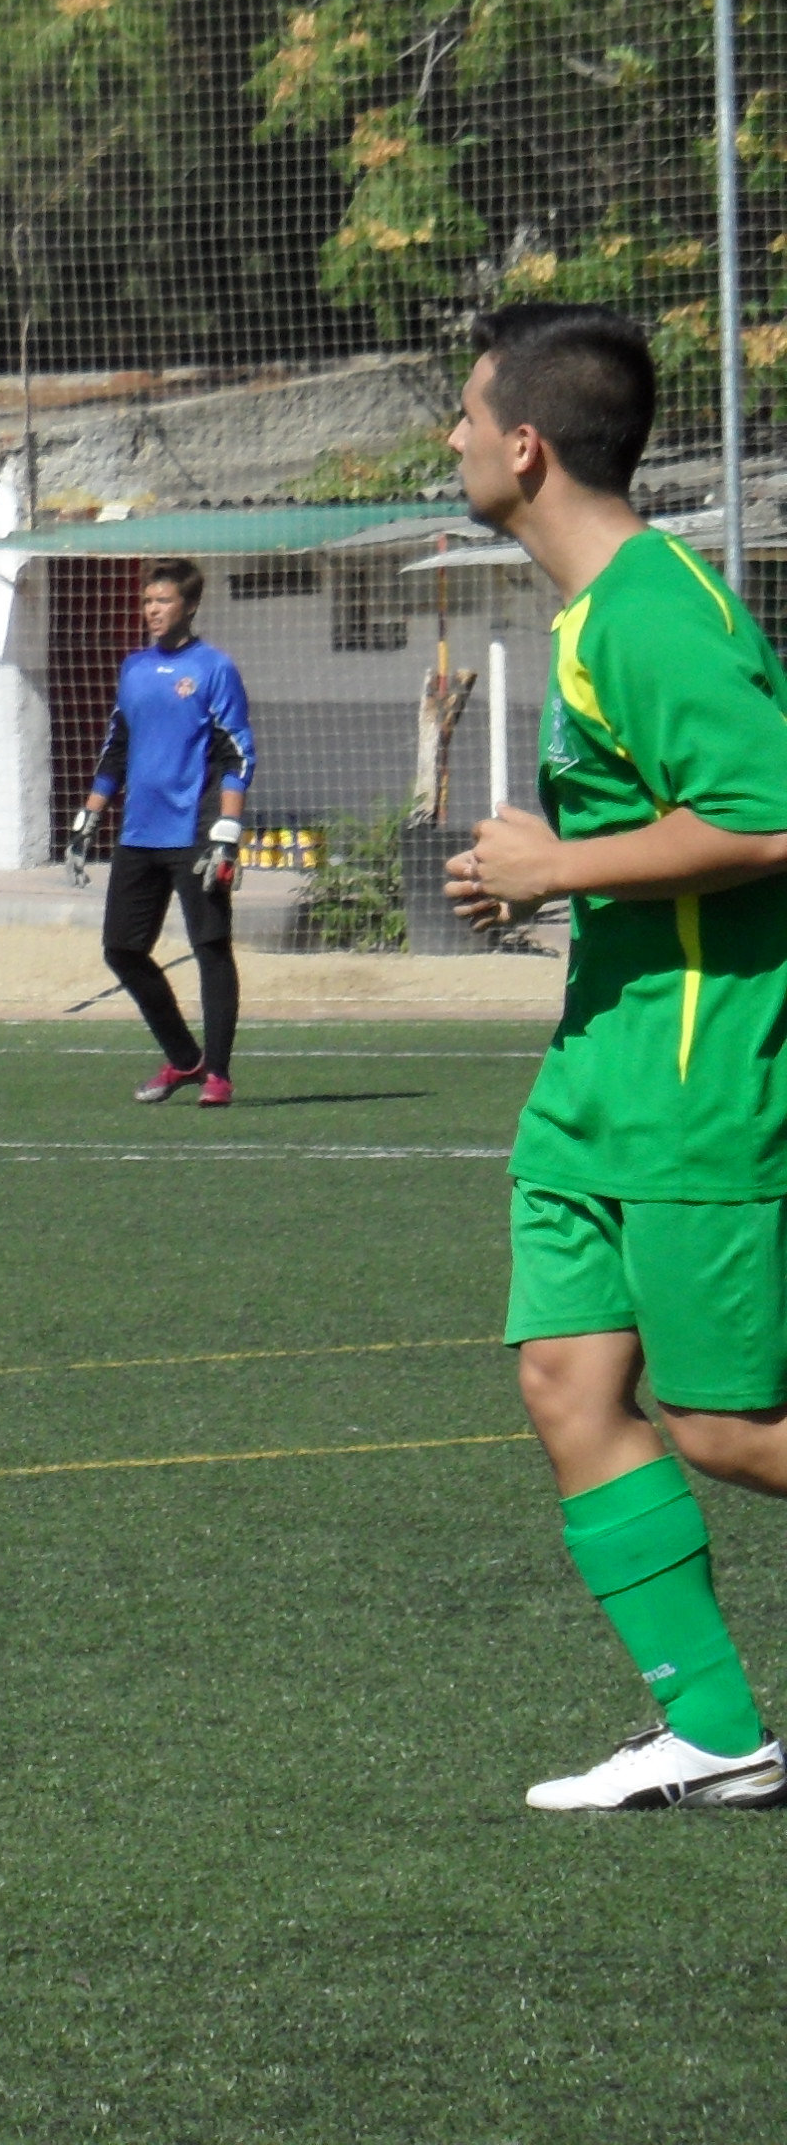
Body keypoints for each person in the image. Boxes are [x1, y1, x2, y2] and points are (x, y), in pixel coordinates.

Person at [443, 302, 787, 1811]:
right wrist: (544, 877)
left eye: (465, 417)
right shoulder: (594, 616)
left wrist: (559, 867)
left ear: (524, 447)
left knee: (725, 1428)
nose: (451, 440)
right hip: (601, 1071)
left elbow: (768, 816)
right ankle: (717, 1732)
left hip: (699, 1078)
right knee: (567, 1381)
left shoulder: (653, 611)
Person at [79, 558, 254, 1106]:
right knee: (122, 949)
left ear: (190, 605)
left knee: (210, 947)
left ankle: (218, 1074)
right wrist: (89, 815)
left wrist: (227, 830)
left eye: (164, 600)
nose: (152, 610)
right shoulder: (133, 669)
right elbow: (117, 746)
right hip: (139, 832)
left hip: (196, 831)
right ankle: (184, 1058)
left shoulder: (214, 668)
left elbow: (237, 753)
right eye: (148, 601)